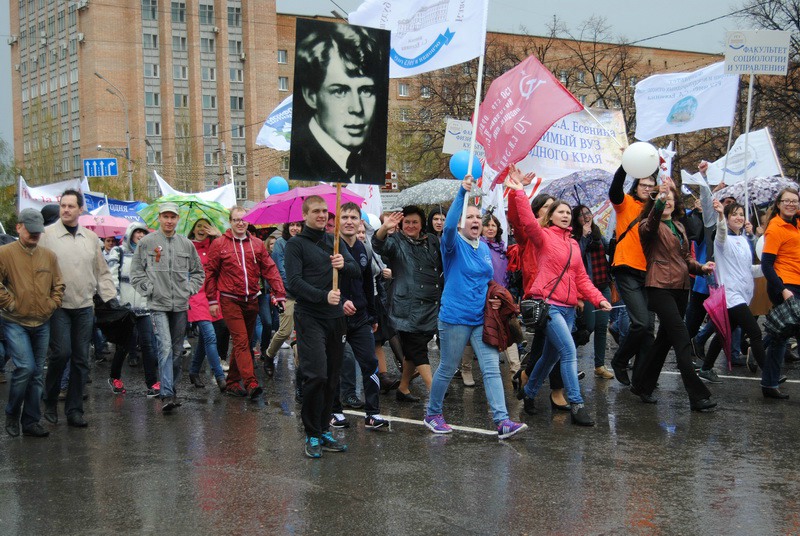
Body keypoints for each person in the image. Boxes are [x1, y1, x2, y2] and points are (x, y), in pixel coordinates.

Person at [506, 167, 612, 426]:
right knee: (568, 352)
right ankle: (577, 403)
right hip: (548, 306)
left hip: (568, 308)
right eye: (560, 212)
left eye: (567, 212)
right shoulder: (542, 236)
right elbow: (526, 221)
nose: (565, 215)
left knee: (550, 357)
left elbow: (581, 278)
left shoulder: (574, 244)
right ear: (550, 216)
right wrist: (519, 191)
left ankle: (529, 393)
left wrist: (598, 299)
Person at [425, 175, 528, 439]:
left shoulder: (483, 247)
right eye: (469, 217)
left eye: (478, 217)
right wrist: (462, 194)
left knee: (491, 369)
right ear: (461, 222)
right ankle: (433, 414)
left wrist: (496, 298)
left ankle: (502, 421)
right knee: (447, 368)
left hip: (481, 318)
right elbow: (448, 227)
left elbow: (487, 281)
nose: (475, 220)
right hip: (455, 318)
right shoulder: (452, 244)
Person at [284, 195, 359, 458]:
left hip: (335, 318)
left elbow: (356, 269)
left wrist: (344, 264)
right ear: (305, 215)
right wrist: (322, 296)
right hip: (310, 316)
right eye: (316, 211)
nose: (321, 215)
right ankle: (312, 433)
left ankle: (324, 428)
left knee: (332, 377)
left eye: (325, 211)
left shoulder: (334, 241)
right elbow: (293, 282)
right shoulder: (295, 245)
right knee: (316, 375)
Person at [632, 182, 717, 412]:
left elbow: (685, 259)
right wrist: (659, 199)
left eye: (670, 198)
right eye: (663, 198)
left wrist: (702, 267)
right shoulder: (647, 226)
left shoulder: (679, 226)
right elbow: (652, 222)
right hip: (659, 287)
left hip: (681, 287)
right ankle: (697, 396)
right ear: (655, 203)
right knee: (681, 338)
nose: (667, 201)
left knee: (664, 340)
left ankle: (641, 385)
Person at [40, 189, 117, 428]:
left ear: (80, 209)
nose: (65, 210)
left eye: (71, 206)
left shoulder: (90, 238)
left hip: (84, 305)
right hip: (58, 305)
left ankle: (74, 410)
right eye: (63, 205)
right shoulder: (46, 235)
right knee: (61, 354)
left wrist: (110, 297)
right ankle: (50, 399)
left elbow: (101, 271)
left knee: (81, 359)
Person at [290, 20, 388, 184]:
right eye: (340, 91)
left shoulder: (373, 162)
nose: (357, 108)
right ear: (311, 96)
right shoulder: (302, 161)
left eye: (366, 90)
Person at [130, 202, 205, 413]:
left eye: (173, 217)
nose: (169, 221)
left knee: (177, 350)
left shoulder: (186, 244)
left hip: (180, 304)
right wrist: (149, 289)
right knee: (165, 347)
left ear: (177, 219)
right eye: (165, 217)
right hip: (158, 304)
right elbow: (136, 272)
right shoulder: (147, 243)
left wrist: (189, 289)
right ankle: (166, 393)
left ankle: (171, 387)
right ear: (159, 218)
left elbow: (198, 272)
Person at [205, 207, 286, 400]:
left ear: (248, 222)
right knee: (241, 341)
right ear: (230, 222)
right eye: (236, 220)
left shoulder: (257, 244)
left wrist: (279, 293)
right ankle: (251, 383)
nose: (240, 223)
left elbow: (270, 269)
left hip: (252, 299)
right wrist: (212, 299)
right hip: (230, 299)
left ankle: (232, 382)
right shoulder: (219, 244)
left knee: (244, 342)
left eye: (243, 220)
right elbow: (210, 273)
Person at [1, 209, 65, 437]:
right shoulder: (5, 253)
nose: (35, 235)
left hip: (42, 321)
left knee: (37, 373)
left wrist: (53, 303)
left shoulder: (48, 256)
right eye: (30, 230)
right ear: (19, 227)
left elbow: (58, 284)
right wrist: (10, 304)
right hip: (14, 321)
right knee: (25, 368)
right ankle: (12, 413)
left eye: (38, 231)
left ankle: (30, 421)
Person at [329, 203, 389, 430]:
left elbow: (368, 284)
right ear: (338, 221)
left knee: (370, 363)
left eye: (353, 217)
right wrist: (341, 302)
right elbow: (325, 283)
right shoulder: (332, 247)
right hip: (337, 317)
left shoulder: (364, 248)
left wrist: (373, 315)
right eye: (344, 217)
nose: (349, 221)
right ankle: (334, 411)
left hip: (361, 317)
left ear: (360, 222)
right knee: (336, 364)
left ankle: (372, 414)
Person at [372, 206, 442, 402]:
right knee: (417, 348)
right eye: (407, 222)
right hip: (406, 306)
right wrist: (384, 229)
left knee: (413, 349)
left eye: (415, 222)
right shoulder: (396, 241)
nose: (411, 225)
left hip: (430, 303)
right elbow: (378, 245)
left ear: (422, 224)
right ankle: (434, 393)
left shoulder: (431, 240)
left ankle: (403, 388)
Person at [697, 200, 766, 385]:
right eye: (734, 214)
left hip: (744, 295)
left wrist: (767, 268)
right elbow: (721, 232)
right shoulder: (722, 240)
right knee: (755, 333)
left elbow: (749, 270)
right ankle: (769, 375)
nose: (739, 217)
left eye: (741, 214)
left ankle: (705, 368)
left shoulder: (743, 240)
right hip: (731, 295)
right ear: (727, 219)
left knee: (723, 334)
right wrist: (720, 214)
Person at [608, 166, 657, 386]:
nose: (647, 188)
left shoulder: (655, 208)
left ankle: (641, 383)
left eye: (651, 185)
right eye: (643, 184)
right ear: (636, 186)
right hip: (626, 267)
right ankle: (620, 360)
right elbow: (615, 190)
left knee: (649, 331)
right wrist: (625, 166)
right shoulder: (625, 203)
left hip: (649, 272)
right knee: (641, 323)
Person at [105, 222, 161, 396]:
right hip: (125, 309)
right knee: (124, 346)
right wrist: (117, 302)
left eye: (144, 233)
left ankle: (152, 383)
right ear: (130, 233)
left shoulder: (150, 254)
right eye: (137, 232)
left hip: (144, 308)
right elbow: (112, 278)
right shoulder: (118, 252)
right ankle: (114, 377)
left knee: (148, 345)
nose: (140, 235)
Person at [760, 187, 800, 399]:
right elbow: (766, 265)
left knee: (780, 337)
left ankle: (769, 383)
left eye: (795, 201)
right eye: (787, 201)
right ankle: (769, 383)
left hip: (797, 284)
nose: (791, 204)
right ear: (778, 204)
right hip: (785, 286)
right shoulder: (775, 228)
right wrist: (783, 290)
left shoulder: (796, 223)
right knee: (783, 336)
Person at [572, 204, 614, 380]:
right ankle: (567, 358)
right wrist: (583, 236)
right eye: (581, 215)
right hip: (587, 289)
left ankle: (599, 366)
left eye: (588, 213)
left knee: (602, 326)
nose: (586, 216)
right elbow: (576, 256)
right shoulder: (575, 236)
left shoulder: (597, 232)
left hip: (603, 285)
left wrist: (616, 238)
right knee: (588, 326)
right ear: (576, 219)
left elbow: (609, 249)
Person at [186, 218, 227, 393]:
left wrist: (219, 235)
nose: (202, 229)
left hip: (212, 296)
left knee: (205, 337)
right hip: (195, 296)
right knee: (210, 336)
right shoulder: (187, 246)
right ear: (193, 230)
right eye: (199, 226)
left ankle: (194, 371)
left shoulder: (215, 245)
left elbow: (228, 255)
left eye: (205, 226)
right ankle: (219, 376)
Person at [479, 212, 521, 380]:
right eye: (487, 225)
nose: (490, 228)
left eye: (493, 225)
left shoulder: (503, 249)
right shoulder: (478, 247)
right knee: (482, 332)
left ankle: (516, 371)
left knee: (508, 329)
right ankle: (466, 368)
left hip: (503, 295)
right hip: (485, 296)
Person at [263, 221, 303, 380]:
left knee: (303, 332)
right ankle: (269, 355)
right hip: (287, 294)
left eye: (298, 225)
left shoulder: (305, 243)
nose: (295, 228)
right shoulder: (280, 244)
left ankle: (300, 369)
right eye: (292, 225)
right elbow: (280, 271)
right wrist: (298, 286)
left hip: (305, 295)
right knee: (285, 331)